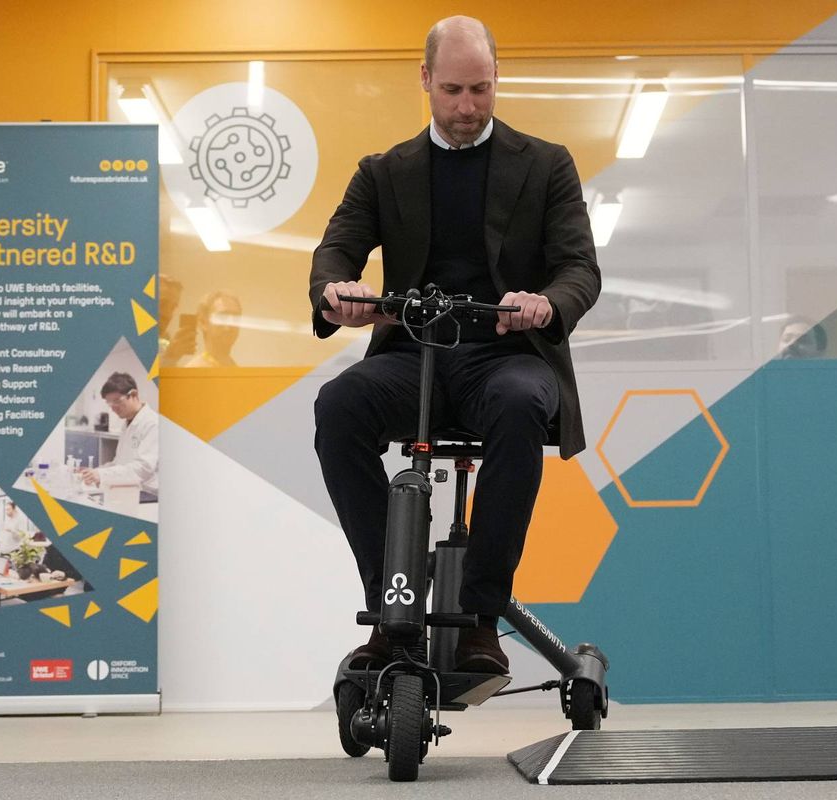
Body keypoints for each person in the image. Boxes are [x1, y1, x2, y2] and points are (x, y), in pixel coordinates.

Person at [311, 16, 600, 676]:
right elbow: (337, 249)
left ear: (497, 81)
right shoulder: (384, 172)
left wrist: (547, 303)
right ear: (424, 81)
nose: (467, 107)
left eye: (481, 90)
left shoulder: (547, 165)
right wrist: (336, 292)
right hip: (412, 356)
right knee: (339, 407)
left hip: (506, 356)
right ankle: (394, 601)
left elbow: (579, 268)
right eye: (451, 91)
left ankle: (478, 619)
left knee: (522, 401)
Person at [79, 372, 159, 498]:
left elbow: (143, 468)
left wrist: (101, 474)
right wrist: (94, 472)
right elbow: (119, 463)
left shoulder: (153, 423)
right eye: (109, 403)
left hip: (149, 494)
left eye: (117, 401)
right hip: (129, 490)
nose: (113, 408)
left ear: (134, 394)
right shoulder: (127, 423)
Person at [184, 291, 243, 367]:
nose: (231, 324)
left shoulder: (236, 370)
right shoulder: (193, 371)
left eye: (236, 318)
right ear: (203, 322)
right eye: (223, 317)